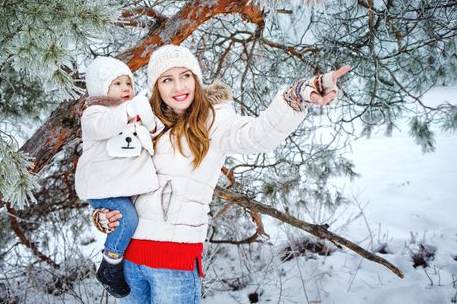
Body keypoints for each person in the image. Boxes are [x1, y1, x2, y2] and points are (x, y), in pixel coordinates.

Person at [97, 45, 351, 303]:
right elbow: (114, 179)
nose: (178, 87)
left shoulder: (214, 121)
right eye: (167, 79)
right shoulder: (143, 123)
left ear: (196, 78)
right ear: (156, 87)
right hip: (128, 263)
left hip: (173, 265)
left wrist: (296, 96)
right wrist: (102, 216)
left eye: (185, 75)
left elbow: (258, 135)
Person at [75, 56, 161, 298]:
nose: (126, 89)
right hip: (103, 189)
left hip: (123, 189)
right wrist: (130, 109)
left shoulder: (131, 113)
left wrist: (148, 120)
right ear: (103, 88)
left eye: (128, 83)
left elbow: (151, 133)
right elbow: (104, 126)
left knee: (130, 220)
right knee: (126, 221)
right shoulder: (94, 113)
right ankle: (109, 266)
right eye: (118, 84)